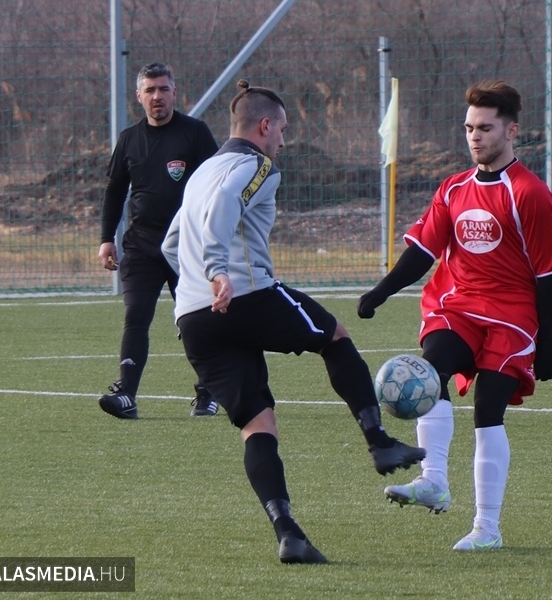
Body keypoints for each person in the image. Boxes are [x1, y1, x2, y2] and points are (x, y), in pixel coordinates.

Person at [161, 79, 426, 564]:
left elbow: (171, 245)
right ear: (264, 126)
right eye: (282, 128)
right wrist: (220, 271)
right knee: (335, 337)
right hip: (245, 293)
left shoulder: (200, 173)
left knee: (258, 426)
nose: (283, 139)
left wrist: (197, 288)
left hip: (196, 320)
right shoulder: (256, 165)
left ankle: (289, 532)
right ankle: (379, 443)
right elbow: (225, 208)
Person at [357, 80, 552, 551]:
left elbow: (547, 278)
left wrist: (548, 344)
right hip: (458, 307)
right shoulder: (454, 188)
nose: (475, 137)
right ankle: (433, 481)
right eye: (469, 128)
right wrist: (382, 290)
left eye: (485, 128)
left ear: (511, 130)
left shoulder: (530, 195)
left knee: (488, 413)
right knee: (430, 373)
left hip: (512, 318)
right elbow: (421, 252)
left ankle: (486, 528)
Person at [98, 62, 220, 419]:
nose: (157, 97)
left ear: (174, 92)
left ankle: (207, 392)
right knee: (136, 314)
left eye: (163, 89)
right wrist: (107, 239)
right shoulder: (129, 139)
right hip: (141, 244)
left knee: (195, 320)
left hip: (189, 245)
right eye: (150, 91)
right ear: (139, 97)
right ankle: (126, 394)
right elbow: (114, 191)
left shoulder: (195, 133)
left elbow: (217, 185)